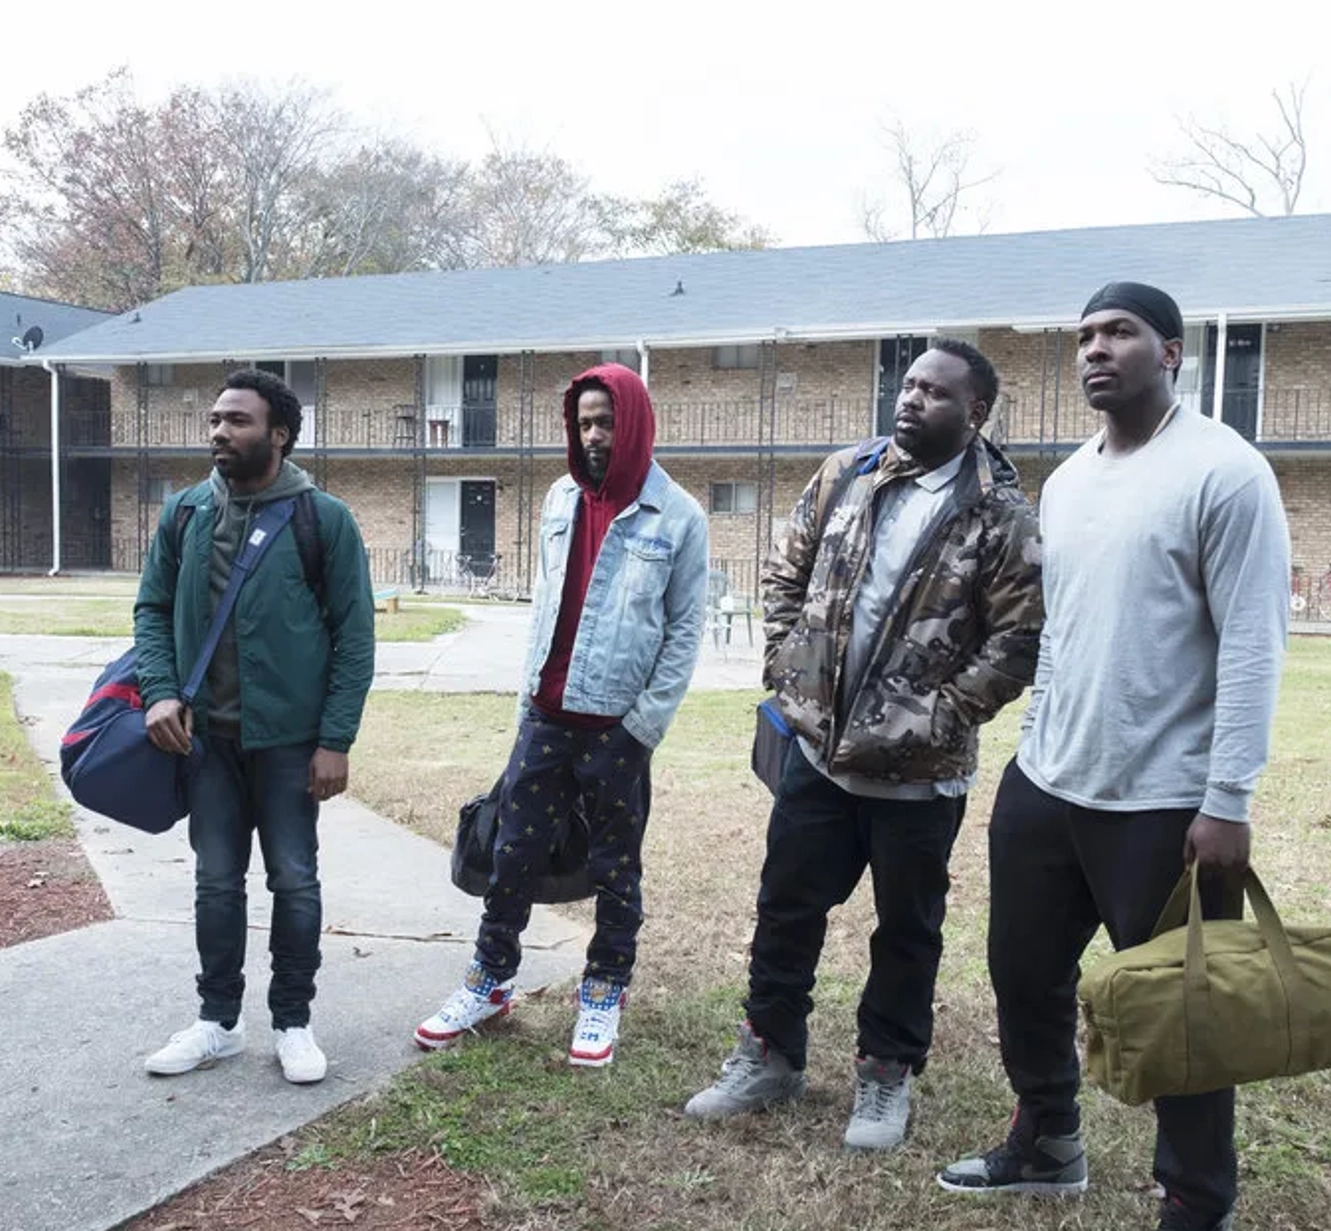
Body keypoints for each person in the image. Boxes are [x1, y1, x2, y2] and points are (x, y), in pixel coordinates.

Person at [936, 283, 1290, 1231]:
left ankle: (1196, 1219)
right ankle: (1048, 1141)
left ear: (1171, 352)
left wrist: (1229, 798)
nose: (1096, 349)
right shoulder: (1070, 481)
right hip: (1051, 779)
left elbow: (1256, 645)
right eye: (1084, 335)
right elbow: (1066, 631)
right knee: (1023, 973)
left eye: (1119, 332)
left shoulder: (1225, 471)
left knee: (1185, 1017)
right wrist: (1029, 754)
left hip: (1169, 798)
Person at [684, 337, 1045, 1151]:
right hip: (816, 751)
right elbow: (787, 569)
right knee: (786, 908)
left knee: (906, 930)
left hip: (919, 774)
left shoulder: (1001, 514)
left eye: (936, 392)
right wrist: (786, 664)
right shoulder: (847, 472)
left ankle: (886, 1074)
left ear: (976, 412)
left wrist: (943, 715)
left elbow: (1017, 641)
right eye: (908, 385)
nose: (912, 400)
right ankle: (770, 1055)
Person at [414, 363, 709, 1067]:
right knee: (511, 855)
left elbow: (683, 633)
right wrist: (526, 704)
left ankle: (604, 989)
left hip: (615, 728)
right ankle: (489, 981)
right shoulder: (558, 499)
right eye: (584, 422)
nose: (595, 434)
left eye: (606, 420)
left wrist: (640, 729)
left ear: (633, 420)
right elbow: (550, 601)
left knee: (615, 866)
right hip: (545, 716)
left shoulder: (679, 517)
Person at [135, 368, 376, 1085]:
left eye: (237, 420)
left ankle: (293, 1023)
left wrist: (335, 739)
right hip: (206, 741)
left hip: (290, 744)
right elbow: (150, 610)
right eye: (215, 419)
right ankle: (218, 1022)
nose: (219, 431)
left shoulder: (320, 519)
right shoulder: (184, 514)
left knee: (295, 882)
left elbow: (354, 636)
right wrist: (157, 693)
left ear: (279, 433)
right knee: (216, 883)